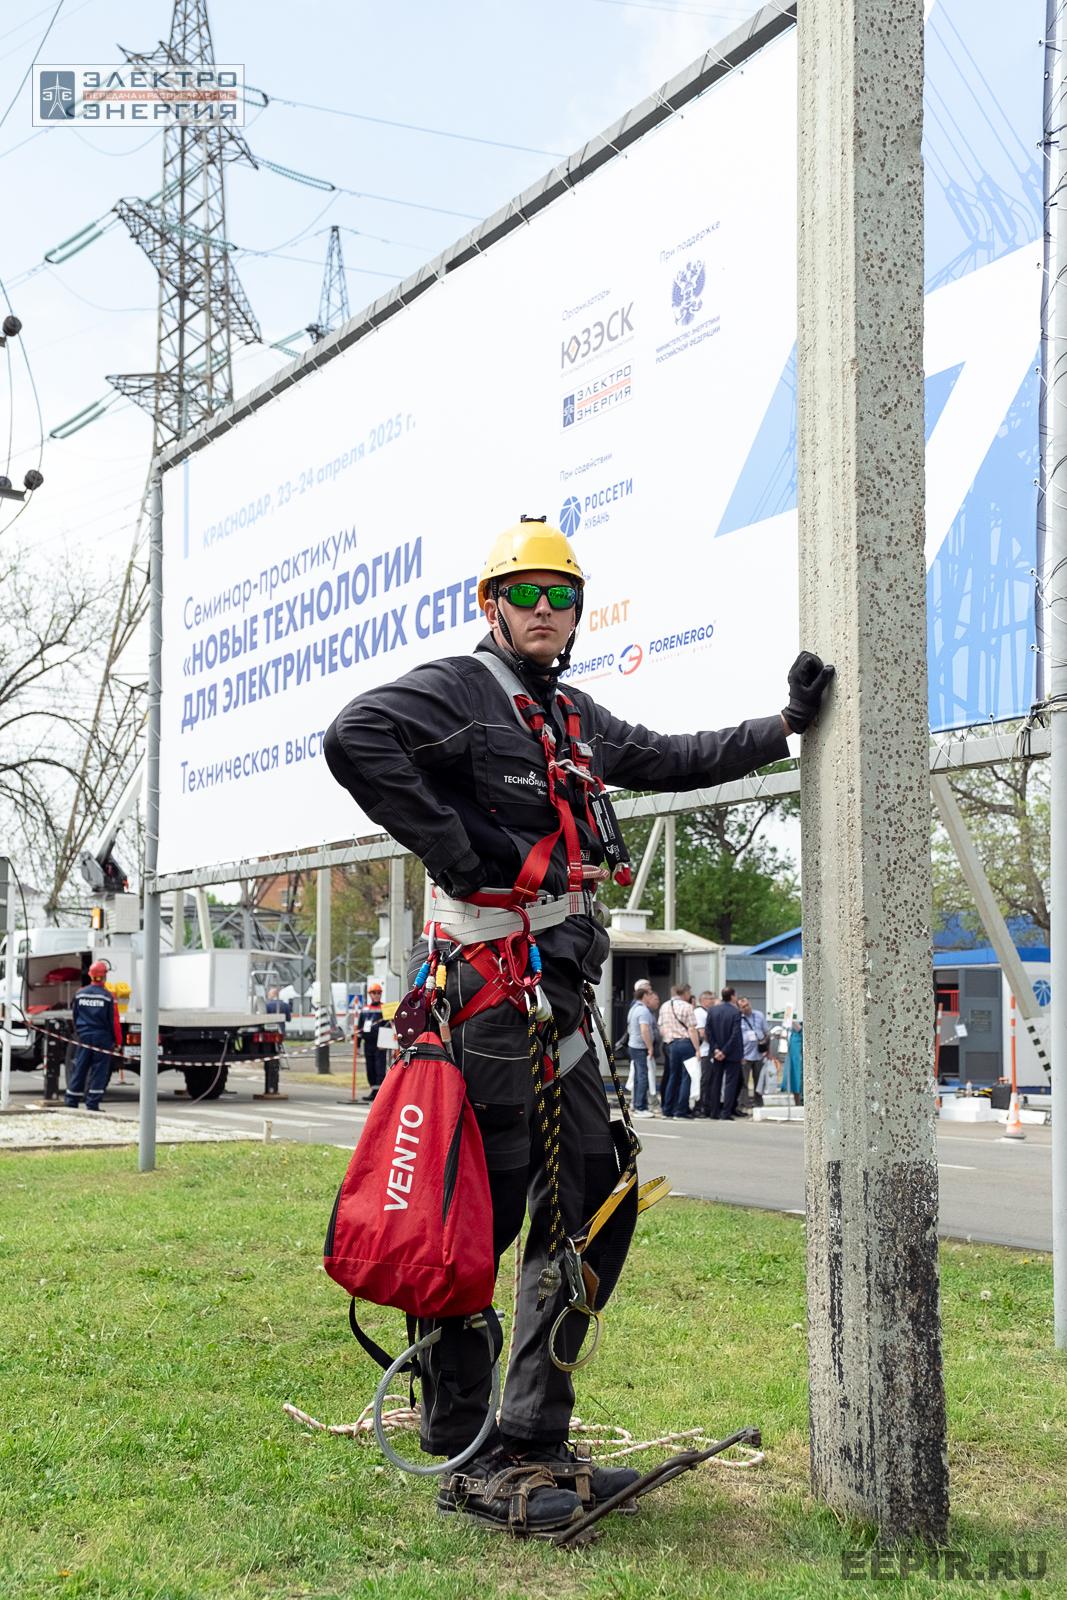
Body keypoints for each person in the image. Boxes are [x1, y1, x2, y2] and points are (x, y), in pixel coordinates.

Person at [323, 514, 832, 1536]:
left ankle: (529, 1433)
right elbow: (354, 738)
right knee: (480, 1219)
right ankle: (464, 1448)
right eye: (531, 595)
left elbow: (669, 755)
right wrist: (469, 852)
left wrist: (782, 725)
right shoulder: (458, 691)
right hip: (485, 994)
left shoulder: (574, 716)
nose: (549, 612)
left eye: (565, 596)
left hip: (558, 1000)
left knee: (596, 1201)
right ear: (492, 604)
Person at [66, 959, 121, 1112]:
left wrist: (80, 1032)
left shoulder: (80, 994)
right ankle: (92, 1104)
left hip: (83, 1037)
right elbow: (114, 1021)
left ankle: (71, 1101)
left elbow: (75, 1016)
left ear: (90, 975)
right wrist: (117, 1041)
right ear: (104, 977)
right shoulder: (108, 996)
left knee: (80, 1067)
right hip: (102, 1038)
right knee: (99, 1070)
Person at [656, 982, 702, 1119]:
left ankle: (667, 1109)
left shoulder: (665, 1006)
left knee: (672, 1076)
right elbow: (692, 1029)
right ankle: (681, 1110)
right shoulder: (687, 1007)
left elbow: (661, 1026)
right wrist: (697, 1048)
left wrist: (667, 1039)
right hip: (685, 1043)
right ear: (686, 993)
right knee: (686, 1077)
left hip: (670, 1043)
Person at [703, 986, 745, 1121]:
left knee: (716, 1082)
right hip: (731, 1052)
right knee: (730, 1083)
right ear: (732, 996)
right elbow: (735, 1034)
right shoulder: (735, 1012)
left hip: (716, 1052)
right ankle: (726, 1112)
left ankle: (714, 1112)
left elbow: (708, 1031)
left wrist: (716, 1049)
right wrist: (725, 1050)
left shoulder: (713, 1010)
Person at [626, 983, 657, 1118]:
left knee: (639, 1076)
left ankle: (638, 1104)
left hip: (633, 1045)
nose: (651, 997)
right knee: (643, 1076)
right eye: (649, 995)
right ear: (644, 996)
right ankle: (640, 1106)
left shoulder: (634, 1008)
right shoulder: (643, 1010)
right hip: (640, 1047)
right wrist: (650, 1047)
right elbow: (644, 1030)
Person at [354, 980, 386, 1101]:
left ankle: (379, 1093)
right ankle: (373, 1090)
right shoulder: (364, 1010)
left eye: (378, 992)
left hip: (380, 1044)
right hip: (368, 1044)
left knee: (380, 1068)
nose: (376, 995)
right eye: (374, 992)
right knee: (370, 1068)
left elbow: (390, 1026)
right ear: (370, 994)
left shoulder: (385, 1008)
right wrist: (357, 1046)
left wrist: (387, 1043)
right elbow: (360, 1029)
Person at [738, 996, 769, 1108]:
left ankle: (758, 1102)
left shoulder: (759, 1015)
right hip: (745, 1055)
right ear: (740, 1009)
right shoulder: (739, 1018)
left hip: (759, 1054)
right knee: (744, 1082)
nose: (746, 1008)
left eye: (747, 1005)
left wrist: (766, 1049)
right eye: (743, 1007)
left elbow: (766, 1033)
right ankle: (744, 1104)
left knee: (759, 1080)